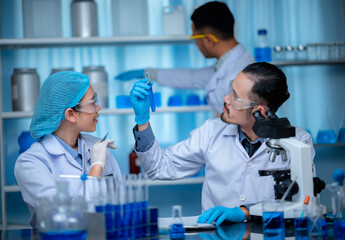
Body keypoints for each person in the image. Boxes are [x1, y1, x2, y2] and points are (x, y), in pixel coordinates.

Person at [129, 62, 315, 225]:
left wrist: (245, 211)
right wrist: (142, 120)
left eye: (235, 97)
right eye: (230, 89)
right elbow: (158, 168)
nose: (226, 99)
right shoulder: (211, 131)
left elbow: (304, 205)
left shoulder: (297, 142)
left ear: (259, 111)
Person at [14, 71, 121, 227]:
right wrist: (96, 168)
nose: (98, 107)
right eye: (92, 102)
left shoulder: (99, 148)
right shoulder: (30, 163)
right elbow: (64, 220)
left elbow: (121, 201)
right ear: (71, 114)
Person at [116, 1, 254, 117]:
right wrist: (148, 73)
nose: (197, 45)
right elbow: (192, 77)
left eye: (195, 39)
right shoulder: (228, 64)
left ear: (209, 40)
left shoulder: (238, 74)